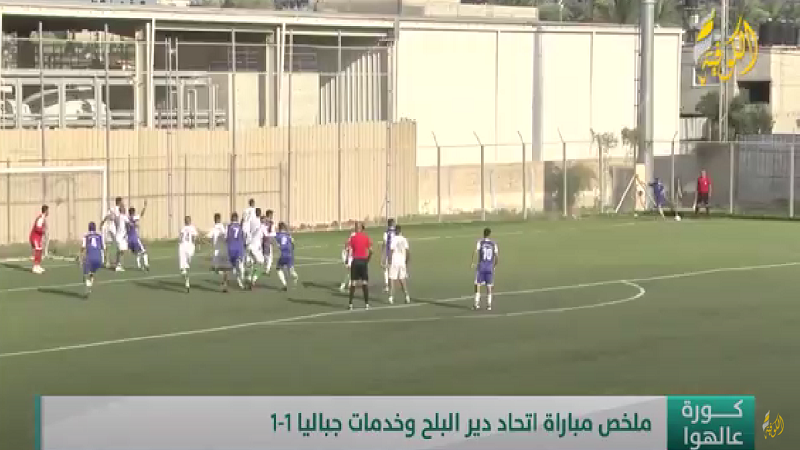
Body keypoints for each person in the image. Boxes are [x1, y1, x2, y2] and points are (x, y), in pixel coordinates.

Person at [347, 222, 373, 310]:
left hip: (355, 261)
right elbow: (371, 251)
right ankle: (367, 304)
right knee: (364, 283)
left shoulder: (352, 238)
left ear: (355, 228)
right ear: (362, 228)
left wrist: (347, 260)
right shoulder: (366, 237)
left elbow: (349, 250)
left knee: (353, 283)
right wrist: (367, 260)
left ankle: (350, 304)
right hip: (363, 261)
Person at [472, 227, 498, 311]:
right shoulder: (493, 244)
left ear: (483, 234)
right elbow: (497, 257)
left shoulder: (480, 242)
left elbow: (475, 251)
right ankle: (489, 305)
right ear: (490, 234)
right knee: (489, 286)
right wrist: (494, 266)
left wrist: (472, 262)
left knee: (477, 284)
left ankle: (476, 304)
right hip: (489, 267)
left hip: (481, 267)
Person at [387, 225, 410, 305]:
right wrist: (406, 262)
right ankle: (407, 296)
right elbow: (407, 252)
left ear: (395, 231)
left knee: (392, 279)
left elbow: (391, 250)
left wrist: (389, 261)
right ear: (400, 231)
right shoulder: (404, 239)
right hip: (402, 262)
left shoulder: (394, 239)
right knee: (402, 279)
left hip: (395, 262)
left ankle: (391, 297)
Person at [80, 222, 104, 298]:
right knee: (92, 273)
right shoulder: (99, 235)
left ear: (88, 228)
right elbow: (103, 248)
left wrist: (80, 257)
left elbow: (83, 247)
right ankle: (90, 287)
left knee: (85, 275)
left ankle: (88, 285)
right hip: (99, 259)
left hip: (90, 258)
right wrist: (106, 260)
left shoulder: (86, 236)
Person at [274, 222, 299, 291]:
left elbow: (272, 238)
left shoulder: (277, 235)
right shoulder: (288, 235)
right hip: (290, 254)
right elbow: (293, 244)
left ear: (279, 228)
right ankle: (295, 275)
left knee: (278, 268)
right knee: (290, 269)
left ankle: (284, 284)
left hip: (283, 254)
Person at [246, 208, 266, 288]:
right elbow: (266, 235)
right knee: (261, 263)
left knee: (253, 263)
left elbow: (247, 231)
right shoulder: (261, 225)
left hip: (249, 245)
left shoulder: (251, 221)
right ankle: (253, 279)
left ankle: (249, 277)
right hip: (256, 247)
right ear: (260, 214)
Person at [225, 212, 245, 291]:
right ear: (237, 218)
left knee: (234, 268)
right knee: (240, 265)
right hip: (239, 248)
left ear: (231, 218)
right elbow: (243, 236)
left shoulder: (228, 226)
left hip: (231, 249)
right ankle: (241, 280)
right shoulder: (240, 226)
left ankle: (240, 282)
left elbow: (226, 238)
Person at [127, 202, 149, 271]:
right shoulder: (133, 218)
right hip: (135, 238)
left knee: (138, 253)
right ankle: (146, 265)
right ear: (133, 212)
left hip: (129, 240)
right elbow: (141, 215)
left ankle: (139, 266)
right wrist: (144, 206)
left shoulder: (126, 219)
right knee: (144, 251)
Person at [179, 216, 198, 293]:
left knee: (184, 267)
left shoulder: (185, 228)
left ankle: (186, 278)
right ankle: (187, 280)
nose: (187, 221)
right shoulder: (190, 228)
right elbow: (194, 237)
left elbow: (181, 238)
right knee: (184, 268)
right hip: (187, 247)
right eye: (187, 220)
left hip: (185, 247)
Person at [101, 197, 122, 268]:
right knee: (119, 245)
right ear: (119, 202)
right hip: (114, 228)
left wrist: (102, 223)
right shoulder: (119, 209)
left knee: (108, 245)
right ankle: (117, 263)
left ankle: (107, 262)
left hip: (108, 227)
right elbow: (117, 219)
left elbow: (107, 216)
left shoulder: (111, 208)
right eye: (121, 202)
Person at [29, 205, 49, 274]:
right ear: (45, 211)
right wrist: (43, 231)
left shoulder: (43, 218)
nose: (48, 212)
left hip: (38, 238)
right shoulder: (40, 218)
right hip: (34, 237)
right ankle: (34, 267)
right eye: (48, 211)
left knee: (40, 250)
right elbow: (37, 228)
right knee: (37, 250)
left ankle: (38, 266)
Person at [380, 218, 396, 292]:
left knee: (386, 269)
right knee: (394, 268)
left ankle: (387, 285)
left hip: (389, 253)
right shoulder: (397, 232)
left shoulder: (386, 233)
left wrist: (382, 254)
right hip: (396, 253)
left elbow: (384, 243)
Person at [114, 201, 129, 271]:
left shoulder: (118, 217)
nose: (125, 209)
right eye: (123, 208)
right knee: (121, 251)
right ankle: (118, 266)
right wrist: (134, 225)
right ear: (121, 209)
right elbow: (129, 223)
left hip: (119, 237)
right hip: (120, 237)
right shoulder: (123, 216)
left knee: (120, 251)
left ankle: (117, 264)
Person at [261, 210, 276, 275]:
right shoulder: (271, 222)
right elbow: (271, 231)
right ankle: (267, 269)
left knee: (265, 255)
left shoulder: (263, 221)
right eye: (272, 214)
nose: (272, 216)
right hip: (268, 240)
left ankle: (266, 268)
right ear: (269, 215)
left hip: (262, 240)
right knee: (269, 257)